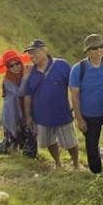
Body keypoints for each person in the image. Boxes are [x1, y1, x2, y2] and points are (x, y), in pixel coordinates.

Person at [19, 39, 79, 169]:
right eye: (30, 53)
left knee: (70, 142)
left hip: (62, 113)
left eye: (35, 52)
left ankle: (76, 164)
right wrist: (28, 116)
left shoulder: (62, 65)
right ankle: (58, 163)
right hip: (42, 117)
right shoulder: (30, 73)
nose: (32, 56)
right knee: (49, 142)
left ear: (45, 50)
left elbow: (74, 86)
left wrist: (76, 105)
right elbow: (27, 96)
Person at [68, 33, 103, 175]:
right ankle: (96, 174)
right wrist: (79, 119)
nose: (99, 51)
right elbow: (74, 95)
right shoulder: (78, 69)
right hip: (89, 115)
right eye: (95, 48)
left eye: (101, 47)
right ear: (88, 51)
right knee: (91, 146)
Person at [0, 49, 36, 158]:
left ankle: (30, 158)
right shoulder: (7, 80)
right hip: (12, 114)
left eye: (17, 63)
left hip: (26, 111)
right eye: (11, 66)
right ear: (7, 68)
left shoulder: (27, 72)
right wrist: (25, 78)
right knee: (11, 142)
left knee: (29, 136)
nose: (15, 67)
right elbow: (20, 92)